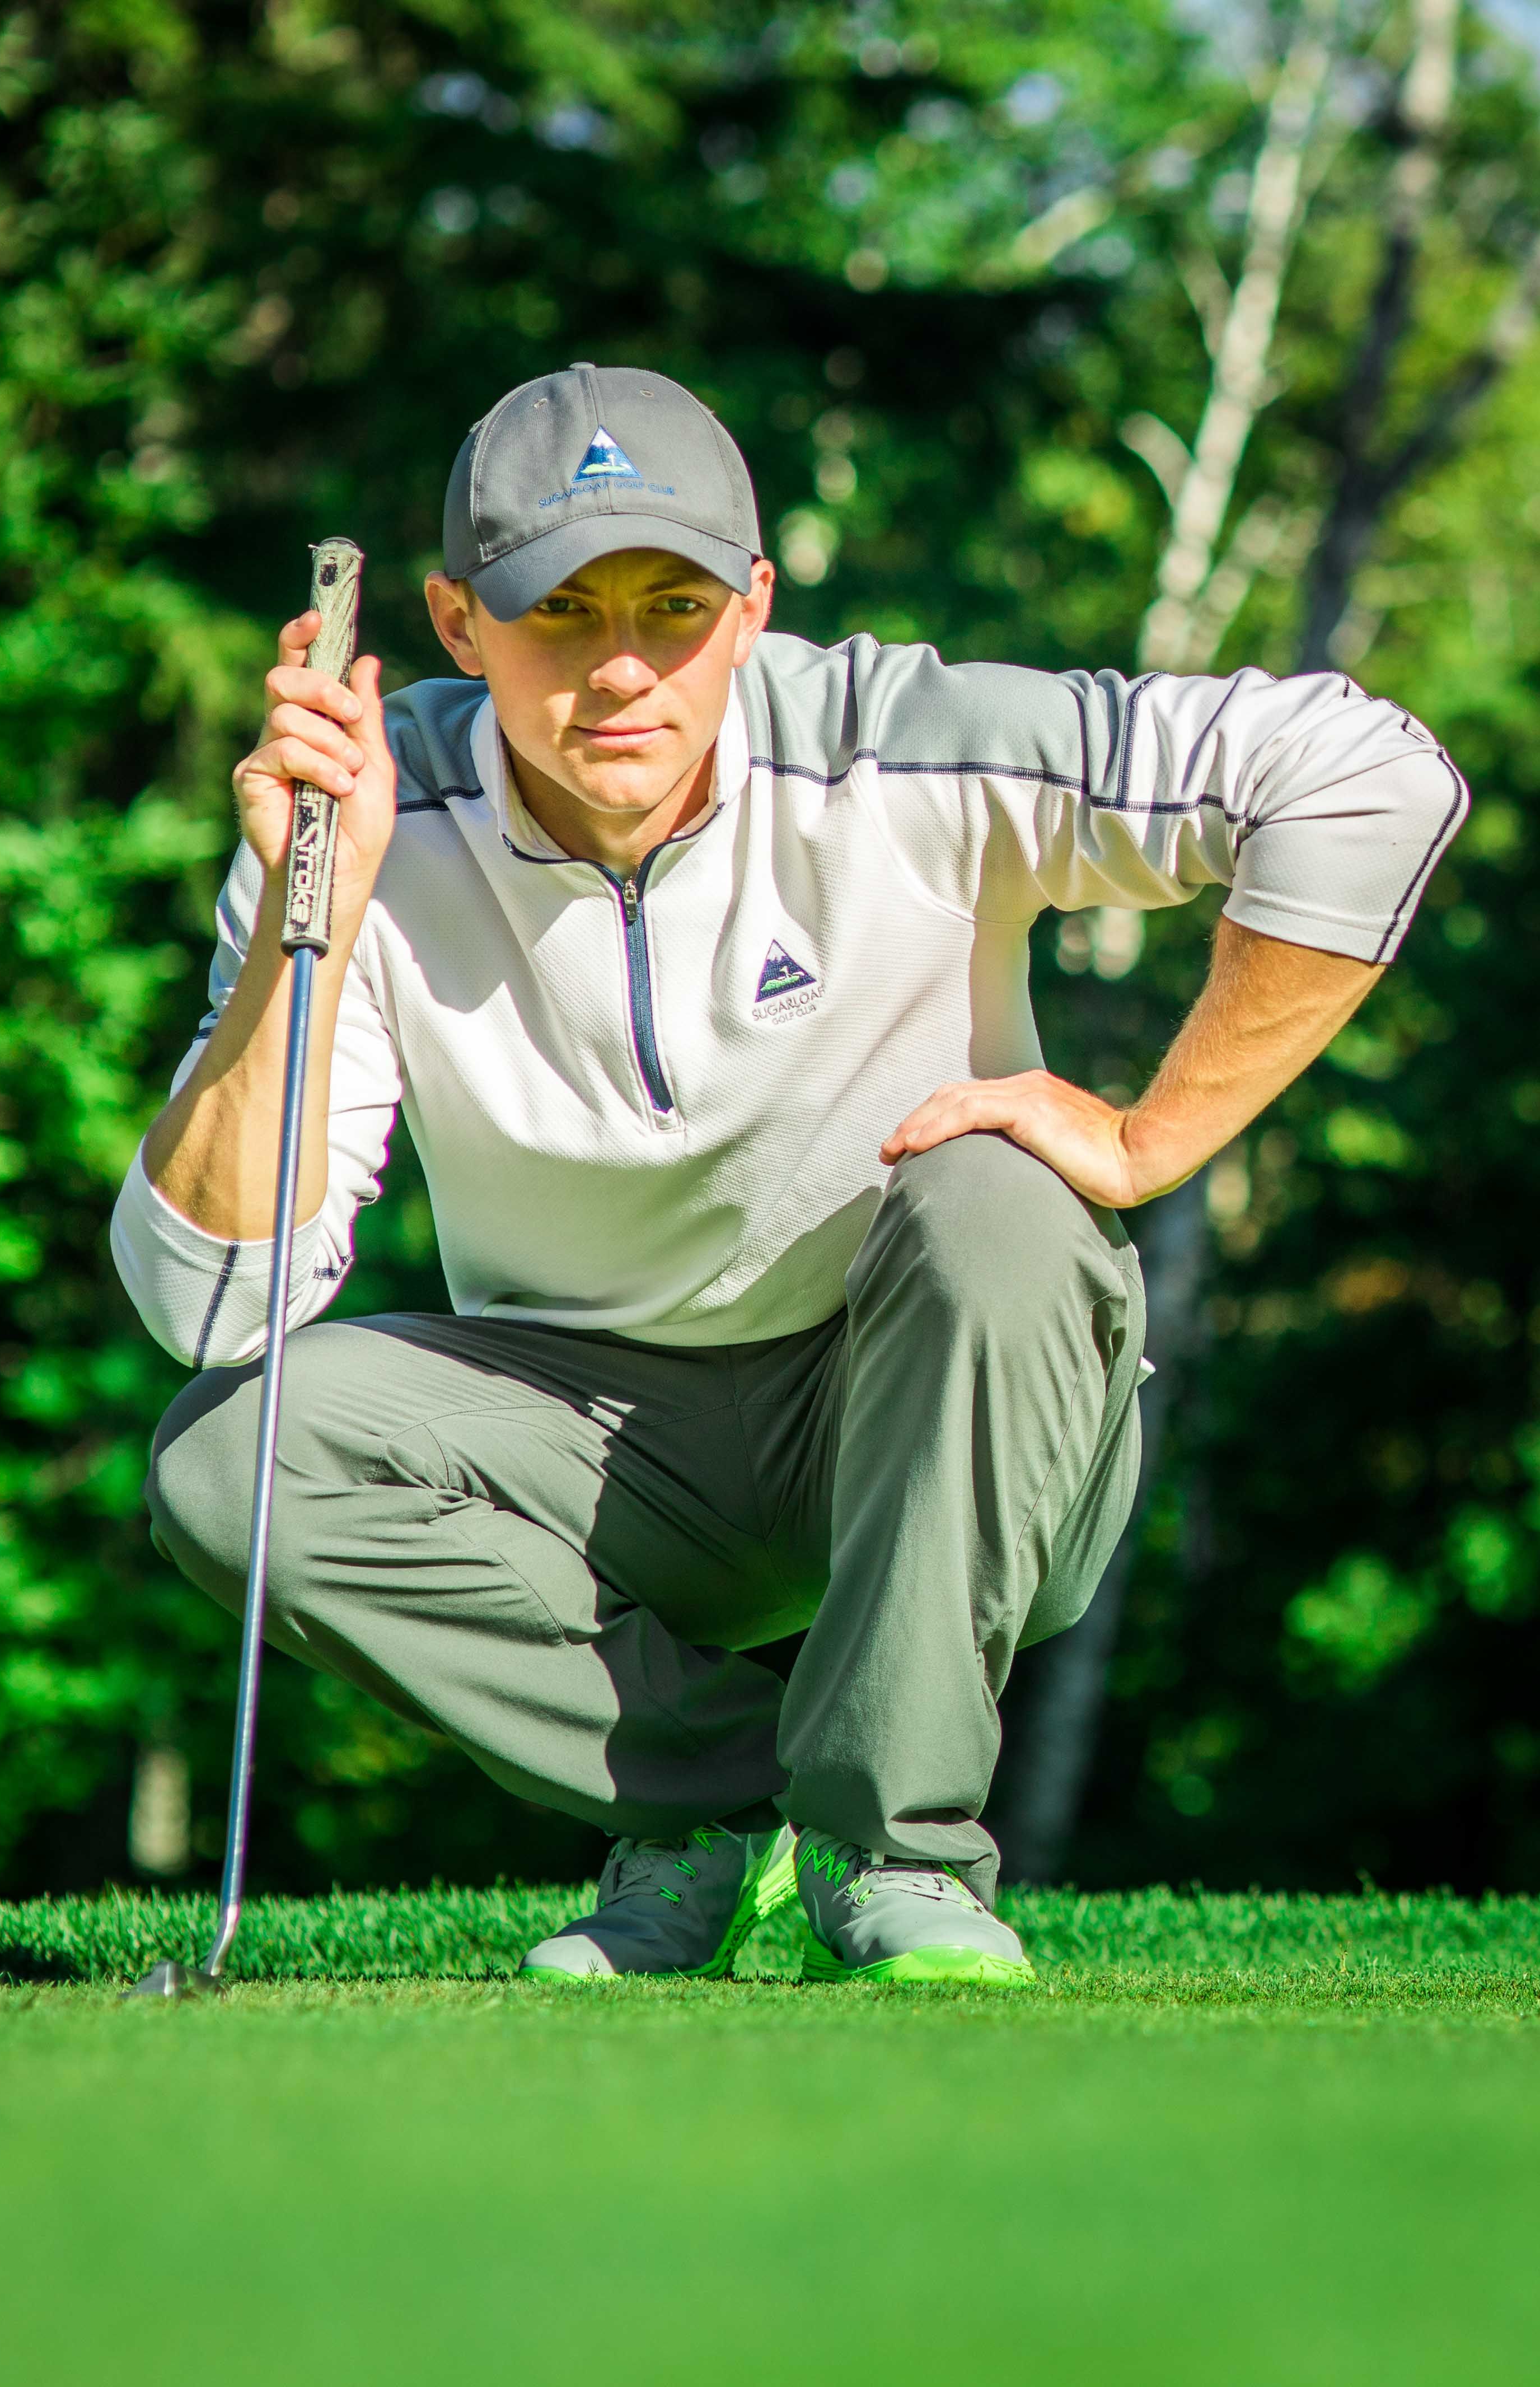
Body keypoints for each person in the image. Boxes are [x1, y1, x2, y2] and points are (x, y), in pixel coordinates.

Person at [116, 363, 1463, 1985]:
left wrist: (1149, 1140)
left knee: (1003, 1199)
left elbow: (1368, 774)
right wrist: (295, 916)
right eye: (560, 613)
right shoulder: (367, 818)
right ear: (457, 621)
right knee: (227, 1459)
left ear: (751, 606)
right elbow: (214, 1304)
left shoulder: (897, 741)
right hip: (604, 1459)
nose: (621, 670)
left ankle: (893, 1857)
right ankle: (721, 1816)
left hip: (943, 1422)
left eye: (670, 606)